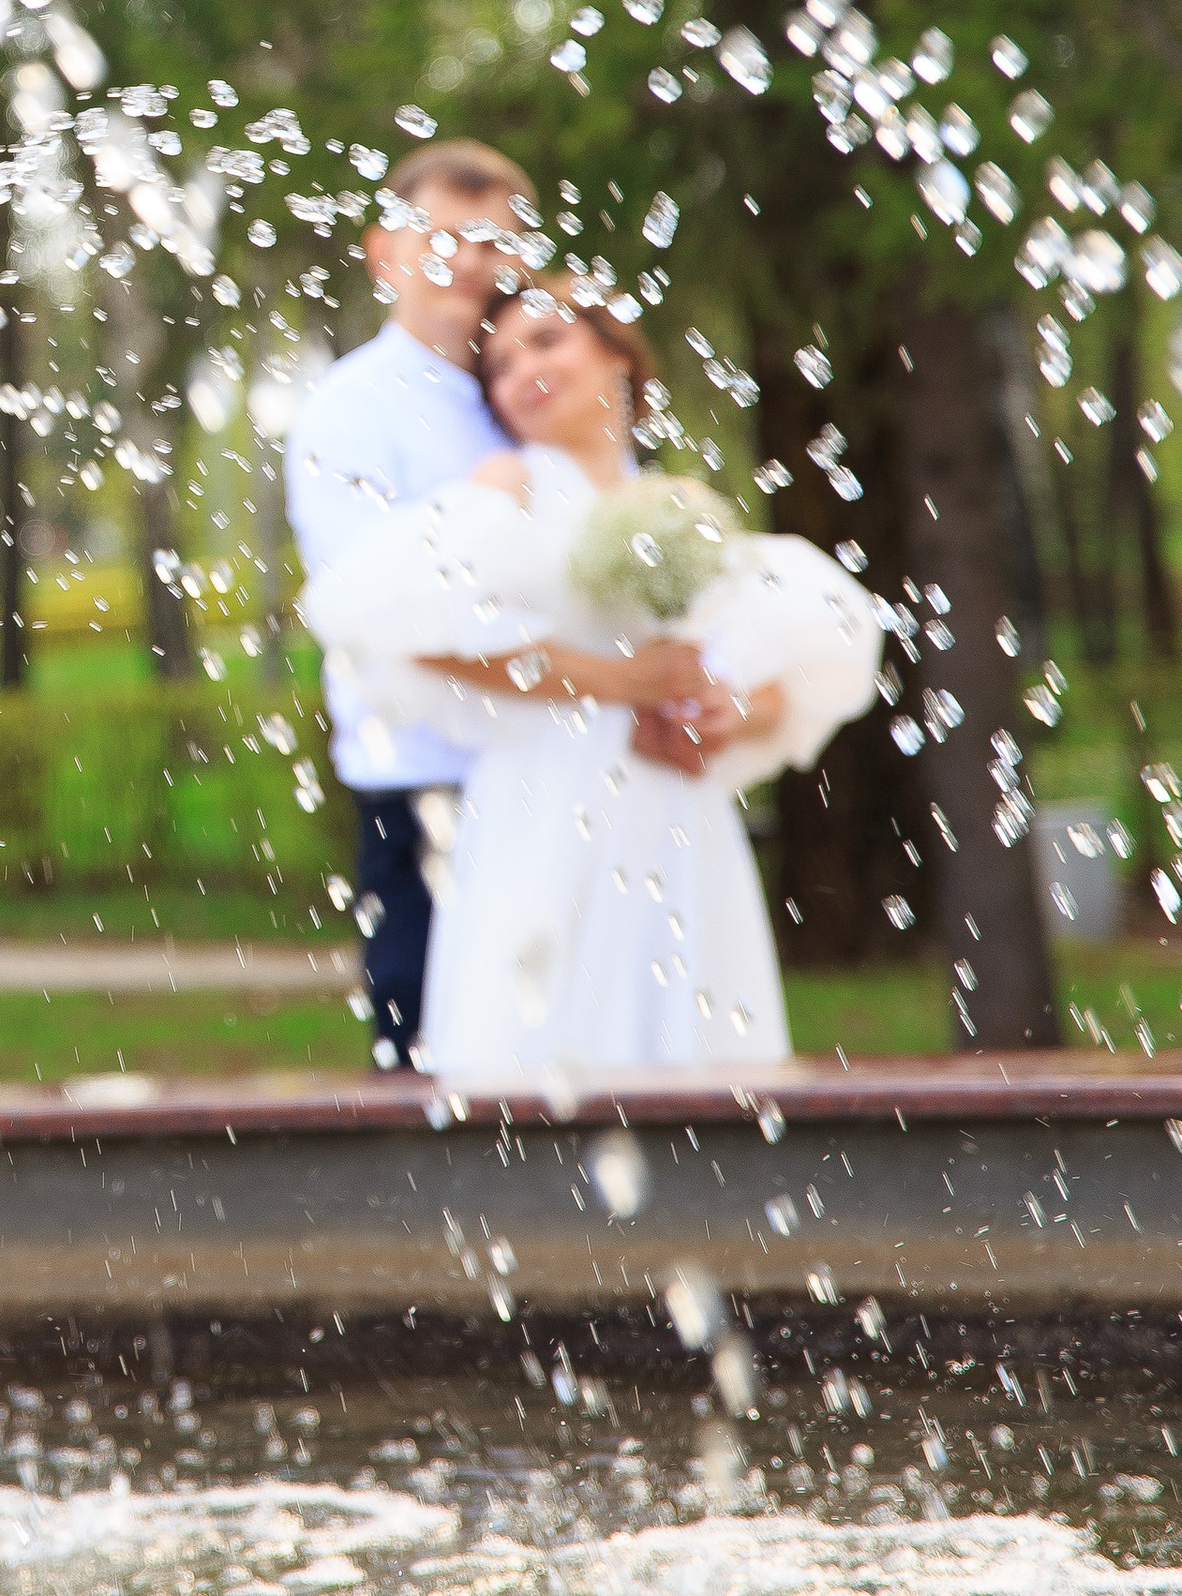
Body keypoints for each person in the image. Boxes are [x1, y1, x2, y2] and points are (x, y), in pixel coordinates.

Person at [309, 273, 881, 1086]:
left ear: (615, 354)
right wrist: (616, 681)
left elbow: (795, 666)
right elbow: (414, 636)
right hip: (545, 805)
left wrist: (726, 710)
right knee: (548, 1041)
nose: (522, 373)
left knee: (695, 1043)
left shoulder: (680, 505)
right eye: (499, 366)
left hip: (676, 812)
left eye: (546, 341)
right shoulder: (509, 488)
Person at [281, 137, 540, 1063]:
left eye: (492, 241)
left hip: (547, 774)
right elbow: (374, 610)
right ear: (383, 251)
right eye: (445, 237)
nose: (471, 262)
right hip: (423, 781)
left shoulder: (530, 392)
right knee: (431, 1051)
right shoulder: (349, 411)